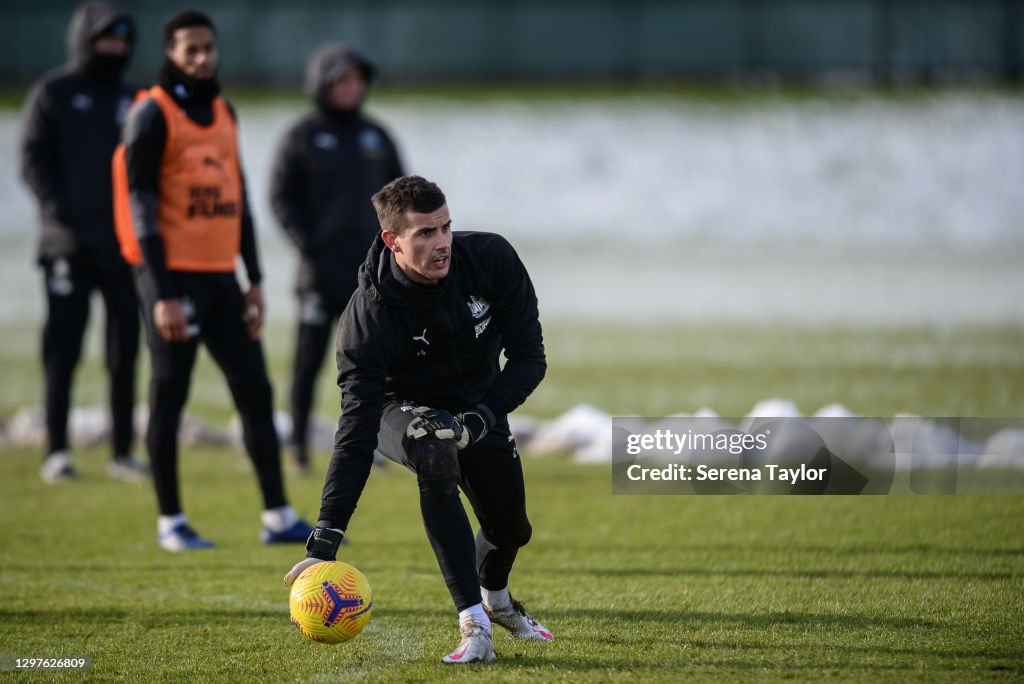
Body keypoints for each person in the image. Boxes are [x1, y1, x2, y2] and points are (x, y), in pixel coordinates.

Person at [284, 175, 553, 663]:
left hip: (478, 406)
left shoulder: (491, 259)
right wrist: (326, 534)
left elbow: (530, 359)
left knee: (511, 530)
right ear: (392, 240)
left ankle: (496, 600)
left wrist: (480, 417)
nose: (442, 243)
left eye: (446, 227)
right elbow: (356, 428)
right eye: (425, 233)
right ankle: (473, 623)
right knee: (434, 450)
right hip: (399, 408)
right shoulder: (366, 320)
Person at [113, 9, 313, 551]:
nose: (202, 58)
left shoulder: (224, 110)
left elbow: (239, 200)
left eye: (209, 47)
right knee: (169, 395)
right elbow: (142, 211)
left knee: (255, 390)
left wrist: (254, 277)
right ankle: (171, 522)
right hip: (171, 281)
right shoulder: (151, 115)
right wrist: (160, 293)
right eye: (190, 50)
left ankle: (277, 515)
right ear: (171, 54)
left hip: (223, 280)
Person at [20, 1, 147, 484]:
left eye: (121, 39)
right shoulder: (53, 92)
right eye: (104, 39)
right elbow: (34, 164)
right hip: (67, 246)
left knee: (125, 350)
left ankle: (121, 452)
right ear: (84, 40)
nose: (114, 47)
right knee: (63, 349)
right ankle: (56, 450)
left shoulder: (136, 96)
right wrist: (66, 221)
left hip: (123, 247)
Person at [269, 42, 404, 473]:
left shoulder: (376, 136)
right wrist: (308, 244)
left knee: (374, 363)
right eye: (342, 80)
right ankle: (298, 448)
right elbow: (279, 197)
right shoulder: (302, 136)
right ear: (323, 84)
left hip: (369, 273)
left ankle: (379, 443)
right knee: (308, 362)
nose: (351, 88)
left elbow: (402, 198)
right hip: (317, 272)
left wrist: (394, 252)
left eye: (357, 80)